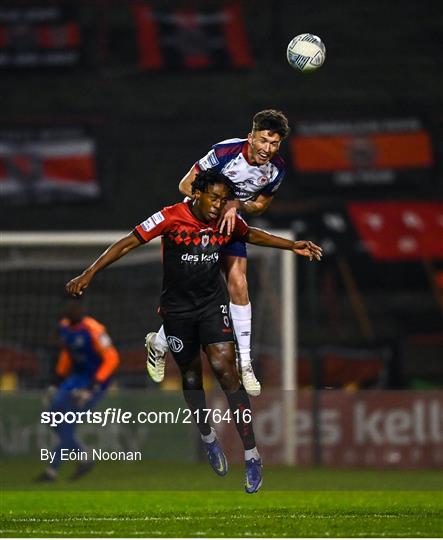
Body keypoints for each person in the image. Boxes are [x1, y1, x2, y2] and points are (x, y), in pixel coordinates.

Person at [65, 169, 322, 493]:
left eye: (223, 199)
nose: (218, 205)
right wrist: (89, 273)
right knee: (190, 377)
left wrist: (291, 245)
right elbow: (128, 242)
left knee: (225, 371)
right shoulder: (171, 216)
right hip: (177, 312)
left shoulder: (225, 221)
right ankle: (207, 435)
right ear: (196, 194)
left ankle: (252, 455)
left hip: (212, 307)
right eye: (213, 197)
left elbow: (252, 235)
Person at [145, 109, 290, 397]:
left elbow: (260, 206)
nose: (267, 149)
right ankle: (159, 342)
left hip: (229, 226)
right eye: (262, 141)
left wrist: (237, 206)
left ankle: (245, 363)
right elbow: (185, 185)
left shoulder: (277, 169)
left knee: (239, 283)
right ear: (251, 136)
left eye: (274, 144)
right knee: (195, 295)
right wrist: (221, 204)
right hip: (197, 227)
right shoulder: (225, 152)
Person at [36, 298, 119, 482]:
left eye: (78, 307)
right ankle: (83, 456)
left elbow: (112, 358)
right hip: (76, 378)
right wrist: (57, 381)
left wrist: (93, 386)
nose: (75, 310)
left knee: (66, 425)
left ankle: (52, 471)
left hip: (94, 382)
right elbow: (67, 354)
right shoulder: (64, 327)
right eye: (71, 307)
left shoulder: (94, 329)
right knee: (52, 418)